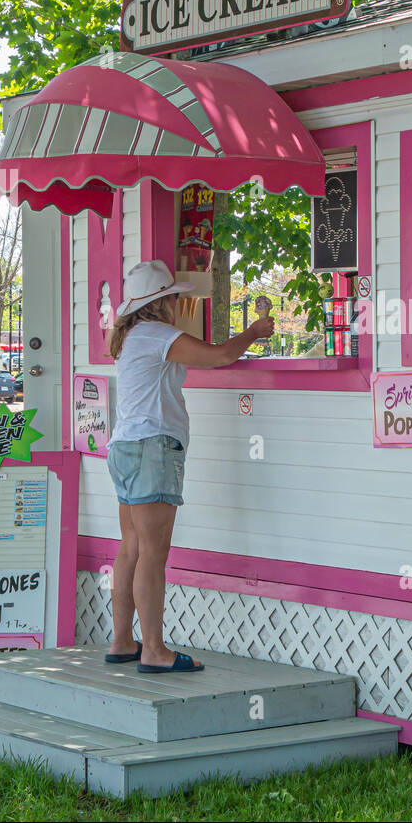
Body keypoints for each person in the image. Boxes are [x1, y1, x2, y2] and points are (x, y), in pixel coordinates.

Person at [104, 259, 274, 672]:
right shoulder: (156, 334)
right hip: (153, 447)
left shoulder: (127, 336)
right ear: (163, 302)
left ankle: (123, 641)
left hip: (124, 446)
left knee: (130, 549)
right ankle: (155, 651)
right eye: (175, 297)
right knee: (153, 555)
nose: (179, 303)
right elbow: (220, 356)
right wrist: (255, 330)